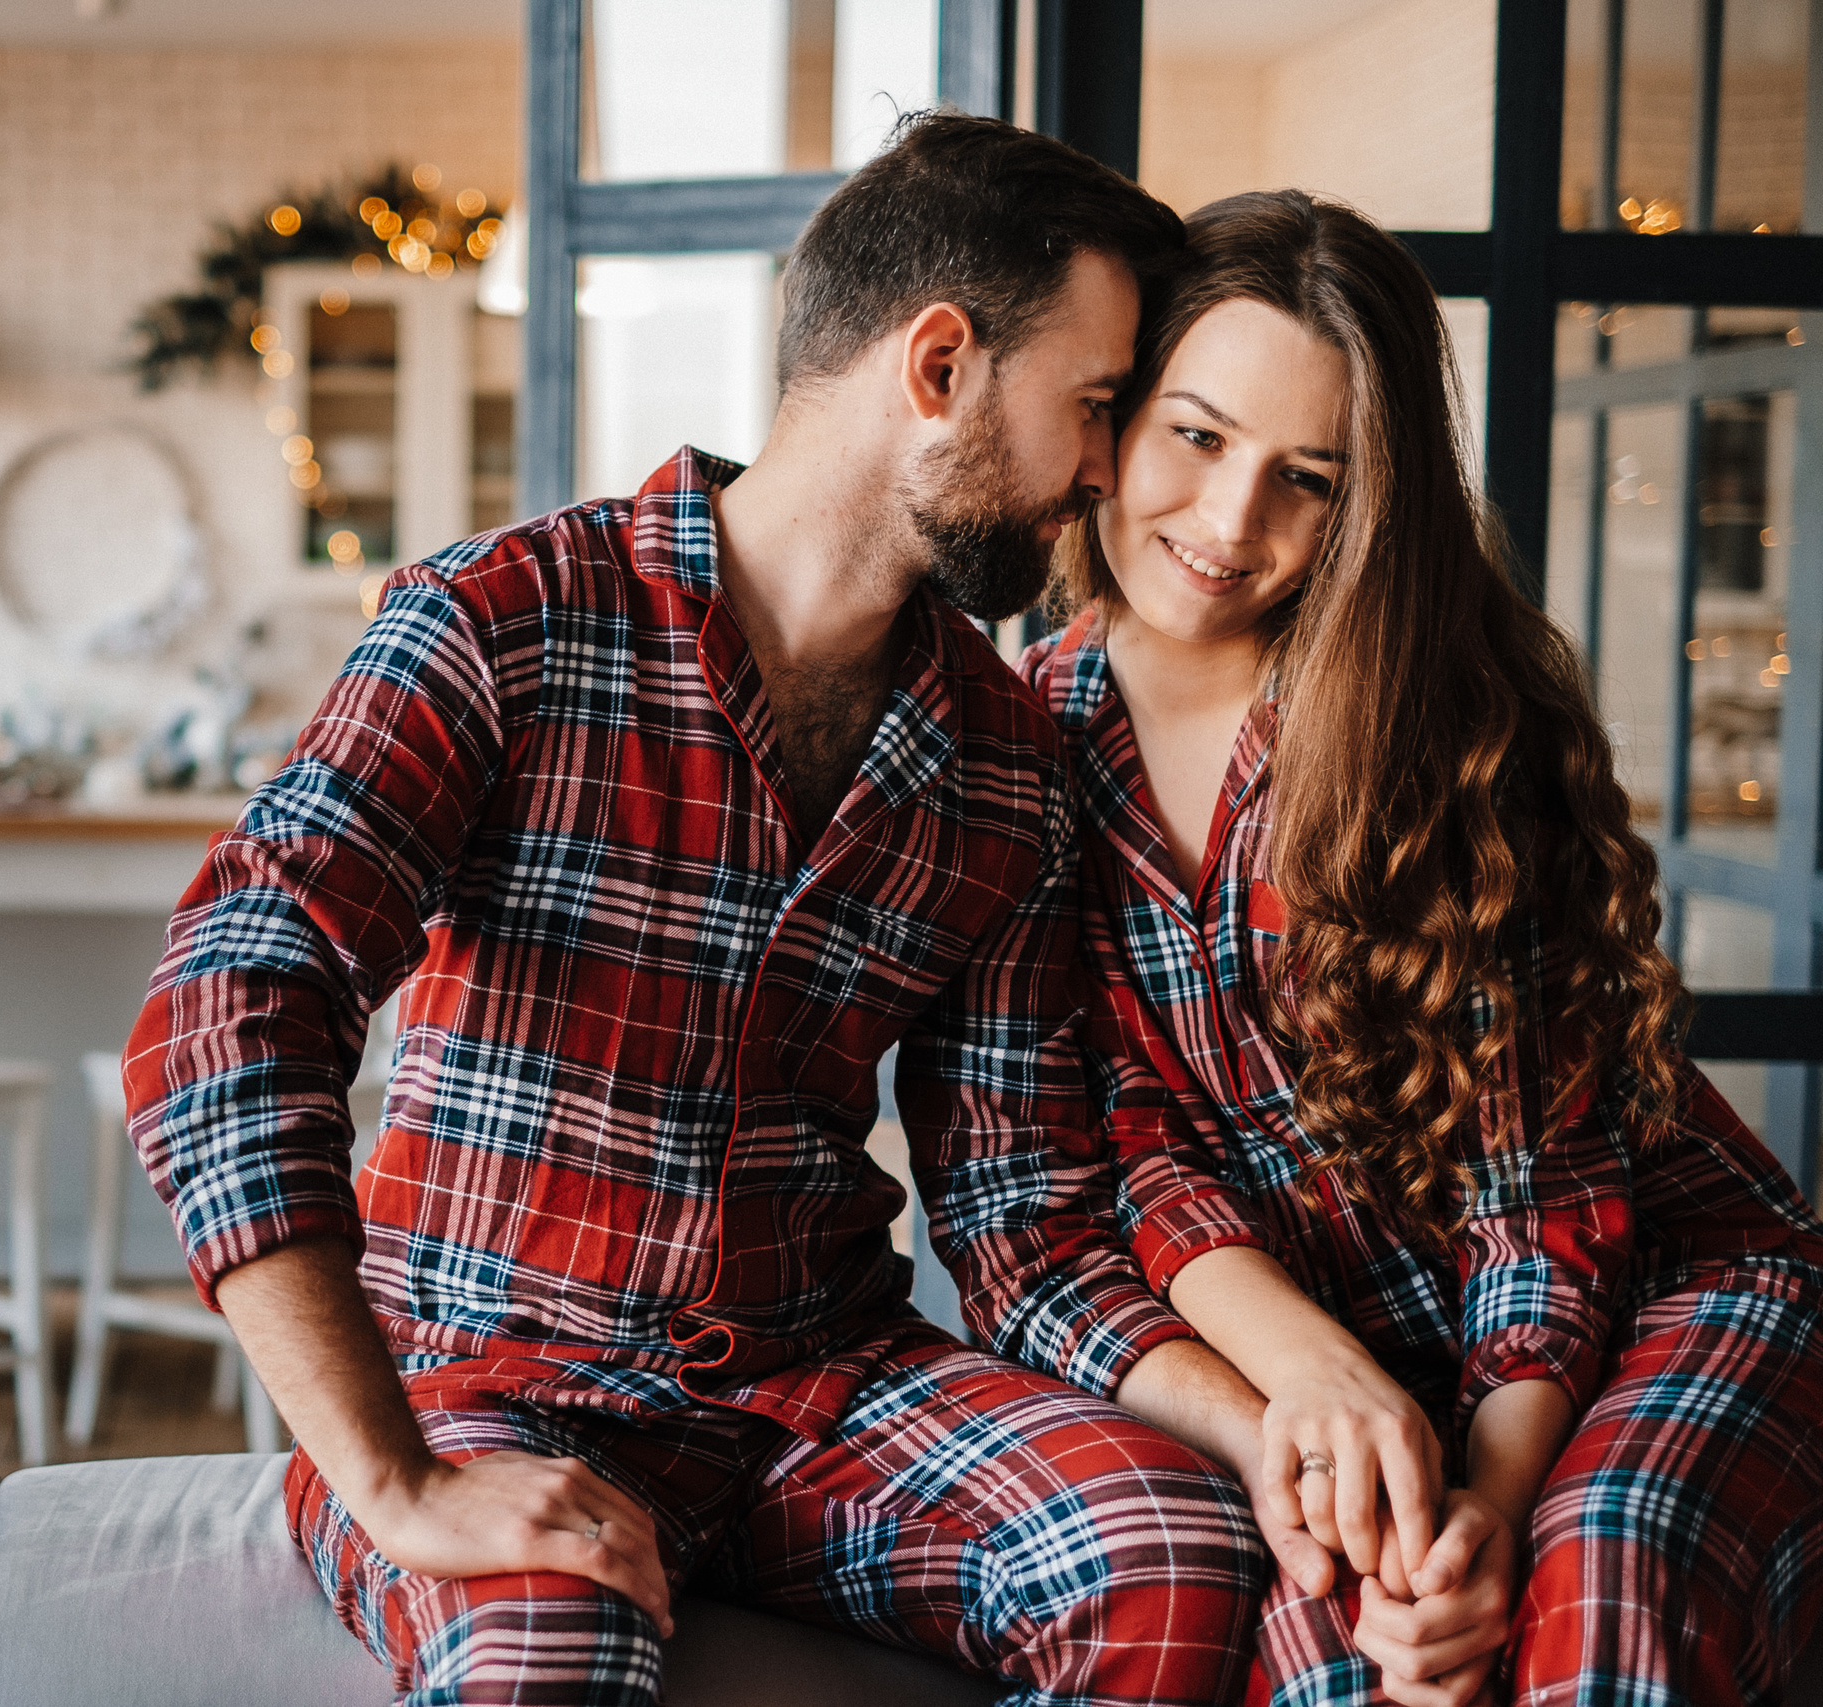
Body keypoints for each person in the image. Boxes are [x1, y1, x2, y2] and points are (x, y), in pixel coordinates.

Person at [127, 115, 1276, 1707]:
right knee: (547, 1649)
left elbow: (1026, 1221)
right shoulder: (503, 621)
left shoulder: (1009, 761)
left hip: (825, 1391)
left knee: (1172, 1552)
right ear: (937, 364)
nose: (1107, 471)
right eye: (1093, 405)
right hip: (485, 1383)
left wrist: (1273, 1427)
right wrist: (396, 1481)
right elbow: (224, 1010)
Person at [1019, 188, 1823, 1707]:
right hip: (1337, 1365)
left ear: (1366, 503)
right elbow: (1118, 1161)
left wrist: (1484, 1526)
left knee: (1605, 1578)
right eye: (1195, 435)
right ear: (1114, 417)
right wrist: (1332, 1406)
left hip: (1641, 1293)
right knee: (1339, 1671)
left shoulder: (1435, 737)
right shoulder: (1015, 749)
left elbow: (1548, 1202)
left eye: (1305, 477)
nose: (1228, 523)